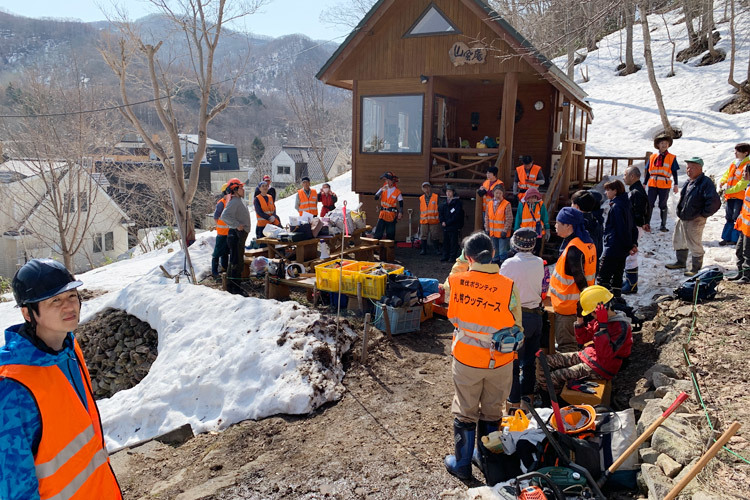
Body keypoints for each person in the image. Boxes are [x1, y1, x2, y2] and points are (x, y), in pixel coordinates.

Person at [0, 259, 123, 499]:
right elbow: (13, 485)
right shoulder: (12, 387)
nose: (69, 307)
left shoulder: (69, 349)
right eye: (55, 301)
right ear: (28, 313)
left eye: (71, 296)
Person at [443, 232, 523, 480]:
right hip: (500, 360)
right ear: (493, 254)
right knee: (492, 412)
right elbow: (517, 325)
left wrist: (461, 261)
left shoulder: (457, 281)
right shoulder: (508, 286)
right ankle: (487, 460)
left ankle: (462, 464)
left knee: (465, 411)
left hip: (467, 359)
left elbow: (447, 290)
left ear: (468, 258)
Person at [547, 285, 632, 392]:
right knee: (545, 362)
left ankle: (558, 401)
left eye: (592, 312)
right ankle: (548, 394)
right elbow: (582, 339)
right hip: (589, 356)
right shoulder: (598, 320)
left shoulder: (621, 327)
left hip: (601, 368)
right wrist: (579, 318)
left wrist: (603, 327)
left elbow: (605, 355)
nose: (591, 315)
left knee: (552, 377)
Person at [500, 229, 545, 413]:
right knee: (529, 362)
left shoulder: (509, 264)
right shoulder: (539, 263)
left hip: (517, 318)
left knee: (513, 362)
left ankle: (514, 402)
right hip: (536, 315)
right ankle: (528, 399)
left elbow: (502, 291)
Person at [549, 207, 597, 353]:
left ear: (569, 225)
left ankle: (570, 374)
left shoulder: (574, 249)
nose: (555, 225)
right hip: (578, 305)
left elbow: (580, 279)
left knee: (567, 347)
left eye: (558, 223)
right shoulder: (587, 242)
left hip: (568, 308)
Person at [665, 157, 721, 276]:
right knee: (679, 239)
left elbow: (714, 202)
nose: (689, 170)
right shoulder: (689, 181)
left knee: (694, 242)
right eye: (687, 168)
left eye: (692, 168)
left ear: (700, 169)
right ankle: (681, 262)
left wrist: (703, 214)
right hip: (684, 216)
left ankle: (696, 267)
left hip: (695, 218)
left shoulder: (705, 182)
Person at [597, 180, 637, 298]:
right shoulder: (626, 203)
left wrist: (628, 245)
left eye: (608, 190)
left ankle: (602, 303)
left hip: (614, 245)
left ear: (615, 191)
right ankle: (617, 299)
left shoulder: (616, 206)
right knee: (617, 275)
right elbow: (631, 226)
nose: (606, 192)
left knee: (603, 276)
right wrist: (632, 243)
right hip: (622, 246)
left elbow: (621, 228)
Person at [220, 178, 252, 295]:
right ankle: (235, 289)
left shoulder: (239, 200)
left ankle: (231, 287)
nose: (243, 189)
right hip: (236, 235)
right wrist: (237, 225)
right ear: (235, 189)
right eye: (241, 187)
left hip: (240, 235)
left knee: (236, 261)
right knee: (236, 262)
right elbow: (225, 216)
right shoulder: (234, 201)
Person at [622, 166, 651, 293]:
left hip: (634, 228)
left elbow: (638, 213)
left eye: (625, 175)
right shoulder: (636, 190)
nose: (624, 177)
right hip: (635, 227)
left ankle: (632, 284)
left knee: (630, 255)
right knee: (629, 254)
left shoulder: (636, 192)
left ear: (632, 176)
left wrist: (641, 224)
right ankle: (629, 281)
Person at [645, 134, 680, 232]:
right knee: (650, 204)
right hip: (652, 183)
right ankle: (647, 223)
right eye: (662, 143)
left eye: (666, 143)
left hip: (664, 184)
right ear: (658, 145)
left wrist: (676, 184)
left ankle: (663, 225)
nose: (664, 145)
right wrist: (644, 183)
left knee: (662, 204)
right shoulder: (652, 157)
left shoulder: (671, 157)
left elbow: (674, 172)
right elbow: (648, 171)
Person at [718, 143, 750, 246]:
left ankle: (735, 239)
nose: (735, 153)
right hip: (731, 196)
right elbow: (727, 174)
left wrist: (728, 190)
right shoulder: (734, 163)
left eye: (738, 151)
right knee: (729, 217)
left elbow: (743, 183)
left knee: (737, 217)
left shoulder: (747, 165)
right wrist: (722, 182)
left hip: (740, 196)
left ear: (745, 153)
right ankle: (726, 237)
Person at [571, 190, 603, 266]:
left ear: (577, 206)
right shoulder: (596, 221)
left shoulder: (578, 224)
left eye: (572, 203)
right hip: (593, 262)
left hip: (579, 266)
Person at [729, 166, 750, 283]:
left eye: (746, 172)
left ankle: (747, 276)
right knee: (739, 250)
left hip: (749, 228)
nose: (743, 173)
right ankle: (741, 273)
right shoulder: (748, 187)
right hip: (744, 226)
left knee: (747, 253)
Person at [513, 187, 549, 255]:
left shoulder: (540, 204)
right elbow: (518, 218)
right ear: (527, 197)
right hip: (525, 234)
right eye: (530, 197)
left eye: (534, 197)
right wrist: (516, 230)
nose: (532, 199)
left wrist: (547, 229)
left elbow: (545, 217)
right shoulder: (522, 205)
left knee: (537, 250)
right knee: (525, 251)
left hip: (537, 233)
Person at [484, 183, 513, 264]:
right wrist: (487, 228)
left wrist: (505, 230)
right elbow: (486, 217)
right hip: (492, 232)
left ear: (502, 194)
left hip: (502, 233)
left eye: (500, 193)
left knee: (503, 252)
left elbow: (509, 218)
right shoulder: (489, 204)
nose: (498, 195)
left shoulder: (506, 204)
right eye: (496, 193)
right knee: (494, 252)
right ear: (493, 193)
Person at [373, 172, 403, 240]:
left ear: (392, 181)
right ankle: (376, 249)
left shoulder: (397, 191)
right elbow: (376, 198)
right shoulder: (383, 189)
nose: (387, 182)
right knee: (378, 234)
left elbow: (401, 203)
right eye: (386, 180)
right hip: (382, 214)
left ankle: (390, 249)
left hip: (391, 215)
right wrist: (381, 190)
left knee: (390, 235)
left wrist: (400, 212)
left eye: (389, 180)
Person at [440, 184, 464, 263]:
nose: (448, 193)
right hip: (445, 226)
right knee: (445, 241)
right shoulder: (444, 203)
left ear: (453, 192)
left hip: (453, 226)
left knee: (453, 242)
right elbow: (441, 213)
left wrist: (447, 222)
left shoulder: (457, 203)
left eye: (450, 191)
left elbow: (457, 215)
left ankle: (452, 256)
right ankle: (445, 255)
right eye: (447, 191)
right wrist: (442, 221)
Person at [211, 183, 230, 278]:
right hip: (222, 233)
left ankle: (224, 268)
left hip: (229, 232)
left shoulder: (230, 202)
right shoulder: (221, 203)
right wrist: (219, 226)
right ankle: (214, 271)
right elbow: (216, 217)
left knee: (225, 252)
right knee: (217, 252)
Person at [418, 182, 441, 255]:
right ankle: (423, 250)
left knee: (435, 235)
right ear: (422, 189)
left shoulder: (436, 197)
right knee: (423, 236)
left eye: (427, 187)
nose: (426, 189)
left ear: (430, 188)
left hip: (434, 220)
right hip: (424, 220)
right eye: (424, 187)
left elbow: (439, 208)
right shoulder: (421, 198)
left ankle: (436, 250)